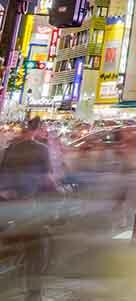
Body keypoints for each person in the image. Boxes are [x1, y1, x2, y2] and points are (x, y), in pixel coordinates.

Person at [0, 117, 54, 300]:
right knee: (37, 248)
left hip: (8, 203)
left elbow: (3, 174)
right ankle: (33, 292)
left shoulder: (10, 150)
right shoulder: (42, 150)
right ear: (37, 130)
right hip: (30, 205)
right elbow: (47, 179)